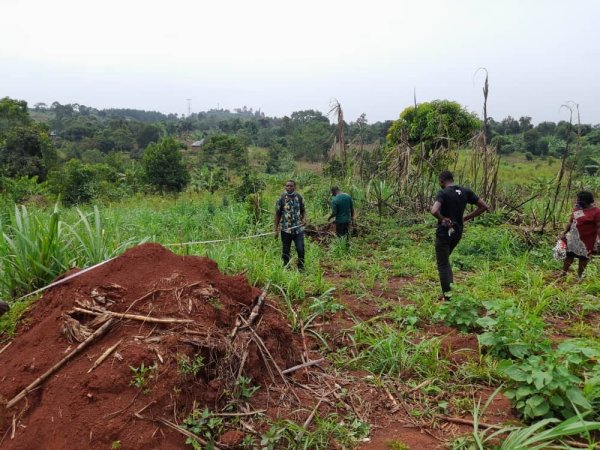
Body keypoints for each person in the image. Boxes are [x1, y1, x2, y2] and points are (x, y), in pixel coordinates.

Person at [430, 171, 489, 299]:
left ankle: (449, 298)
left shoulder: (443, 193)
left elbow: (434, 210)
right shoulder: (465, 191)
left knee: (443, 264)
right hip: (457, 233)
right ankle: (449, 292)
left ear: (441, 181)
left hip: (444, 233)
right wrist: (466, 218)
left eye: (440, 182)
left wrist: (442, 219)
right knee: (445, 262)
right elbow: (484, 206)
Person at [560, 191, 600, 278]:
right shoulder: (577, 209)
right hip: (574, 238)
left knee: (583, 257)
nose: (577, 201)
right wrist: (564, 233)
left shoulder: (596, 212)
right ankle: (563, 272)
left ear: (585, 201)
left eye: (579, 200)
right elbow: (571, 222)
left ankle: (580, 276)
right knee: (569, 255)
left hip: (587, 240)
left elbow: (598, 227)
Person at [275, 180, 306, 270]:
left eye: (291, 186)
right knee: (285, 250)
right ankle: (286, 268)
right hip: (286, 230)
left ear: (294, 187)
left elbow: (303, 210)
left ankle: (301, 268)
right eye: (287, 186)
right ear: (285, 187)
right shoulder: (281, 198)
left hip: (298, 229)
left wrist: (304, 218)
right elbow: (277, 214)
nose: (289, 187)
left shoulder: (299, 197)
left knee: (300, 249)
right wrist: (275, 229)